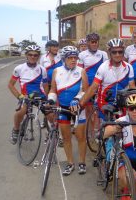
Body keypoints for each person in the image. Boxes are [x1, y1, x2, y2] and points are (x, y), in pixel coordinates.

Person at [103, 93, 136, 198]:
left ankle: (133, 190)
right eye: (131, 108)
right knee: (130, 177)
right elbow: (104, 133)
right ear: (127, 110)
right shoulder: (122, 120)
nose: (134, 111)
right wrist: (116, 128)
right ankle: (126, 189)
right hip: (124, 162)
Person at [48, 46, 88, 175]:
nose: (73, 60)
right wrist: (51, 100)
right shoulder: (56, 71)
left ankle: (82, 162)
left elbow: (85, 90)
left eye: (75, 58)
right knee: (66, 138)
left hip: (78, 108)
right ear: (64, 59)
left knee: (80, 136)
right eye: (70, 58)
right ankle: (70, 163)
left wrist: (77, 98)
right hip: (63, 108)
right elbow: (53, 89)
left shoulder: (81, 71)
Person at [80, 38, 136, 120]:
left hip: (121, 104)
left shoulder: (129, 67)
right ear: (109, 53)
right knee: (107, 129)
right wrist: (81, 104)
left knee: (123, 129)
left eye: (120, 52)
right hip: (104, 103)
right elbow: (93, 88)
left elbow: (132, 87)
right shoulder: (103, 67)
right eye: (114, 52)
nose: (117, 54)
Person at [8, 45, 48, 144]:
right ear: (26, 55)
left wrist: (47, 99)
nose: (33, 57)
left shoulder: (42, 69)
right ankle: (16, 130)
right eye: (30, 54)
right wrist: (19, 96)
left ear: (38, 56)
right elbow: (10, 85)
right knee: (20, 113)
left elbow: (46, 86)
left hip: (40, 96)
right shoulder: (19, 68)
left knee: (51, 114)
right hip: (26, 96)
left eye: (35, 55)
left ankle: (52, 133)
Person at [78, 33, 108, 120]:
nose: (94, 44)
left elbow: (106, 69)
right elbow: (80, 71)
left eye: (96, 42)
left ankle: (98, 130)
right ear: (88, 43)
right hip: (88, 87)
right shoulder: (82, 54)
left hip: (100, 86)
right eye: (92, 42)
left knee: (99, 110)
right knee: (88, 110)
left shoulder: (103, 54)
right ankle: (90, 132)